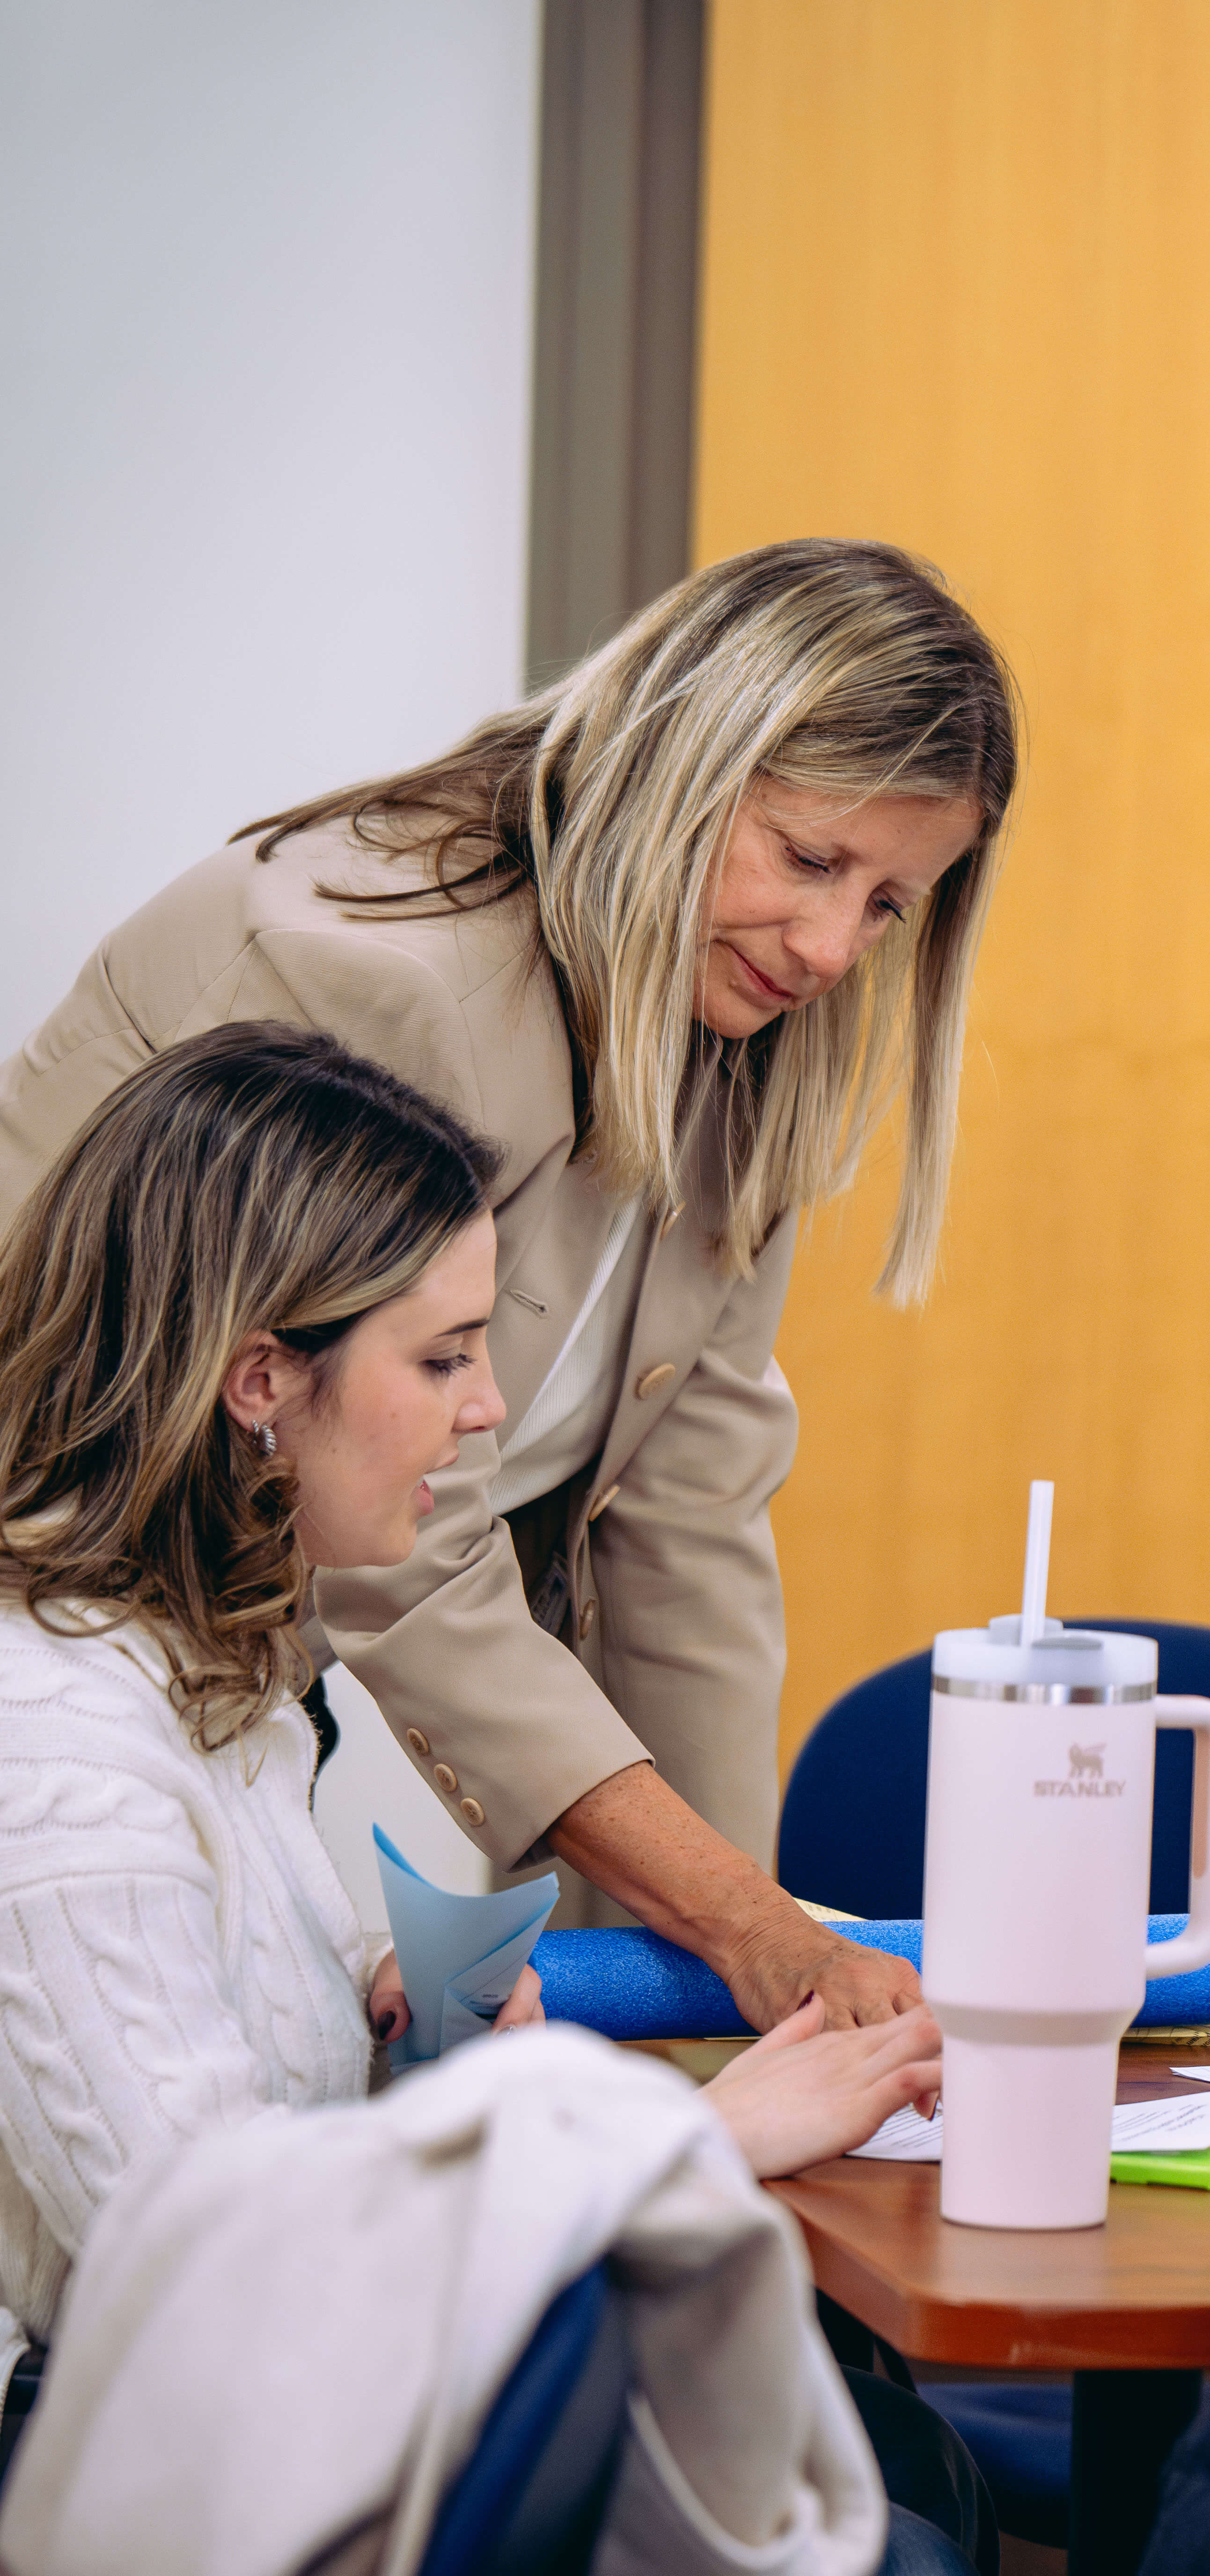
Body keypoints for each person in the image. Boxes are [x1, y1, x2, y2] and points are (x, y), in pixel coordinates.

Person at [0, 538, 1016, 2031]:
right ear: (685, 760)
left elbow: (687, 1530)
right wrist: (736, 1923)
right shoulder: (382, 976)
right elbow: (395, 1536)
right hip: (65, 1694)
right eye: (807, 859)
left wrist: (743, 2001)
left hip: (219, 1702)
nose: (829, 947)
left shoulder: (737, 1043)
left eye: (889, 906)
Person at [0, 1025, 982, 2565]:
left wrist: (409, 2028)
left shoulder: (212, 1673)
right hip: (207, 2493)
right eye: (445, 1356)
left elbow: (262, 2129)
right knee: (887, 2522)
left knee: (901, 2467)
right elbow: (223, 2301)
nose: (485, 1411)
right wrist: (694, 2146)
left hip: (309, 2434)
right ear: (262, 1382)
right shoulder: (58, 1749)